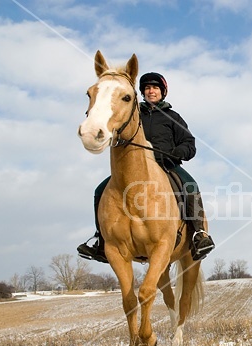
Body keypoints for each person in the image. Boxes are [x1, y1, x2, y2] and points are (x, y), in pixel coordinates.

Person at [77, 72, 215, 262]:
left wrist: (177, 152)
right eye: (147, 88)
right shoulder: (134, 114)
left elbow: (189, 143)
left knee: (190, 185)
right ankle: (101, 240)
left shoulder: (172, 117)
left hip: (166, 165)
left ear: (162, 92)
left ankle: (198, 234)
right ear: (142, 92)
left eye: (155, 88)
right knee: (100, 190)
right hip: (135, 168)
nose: (151, 91)